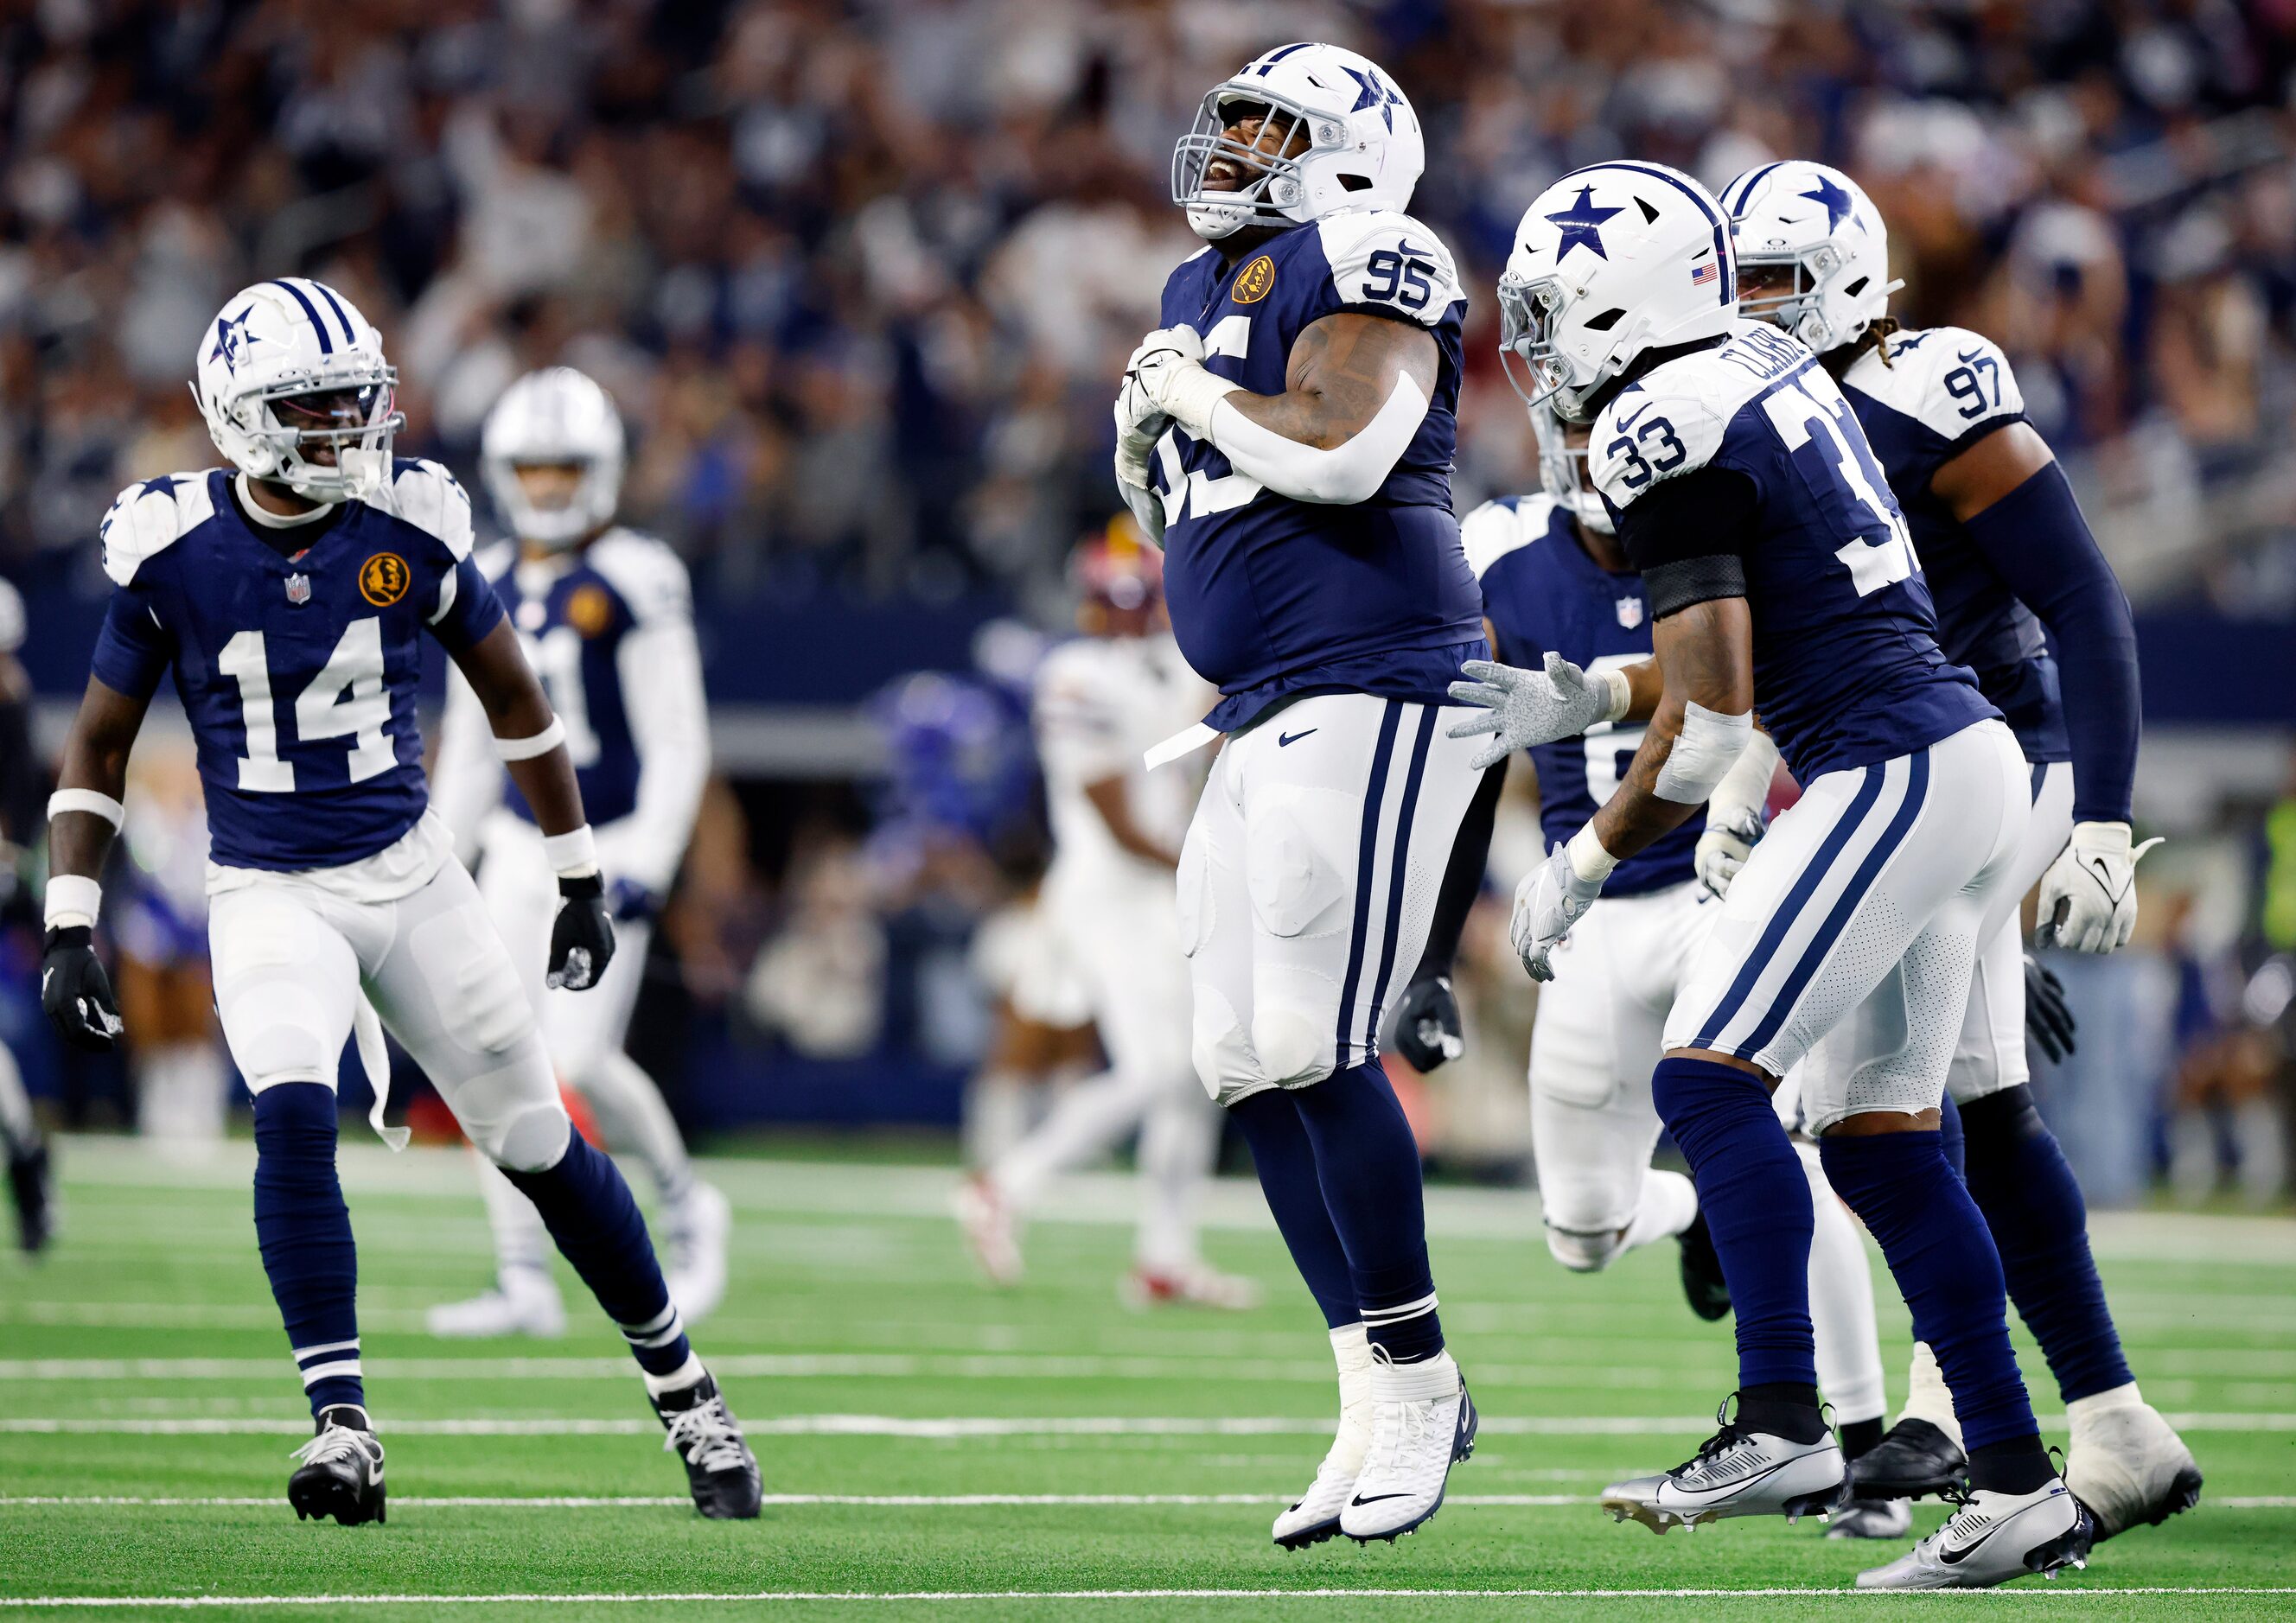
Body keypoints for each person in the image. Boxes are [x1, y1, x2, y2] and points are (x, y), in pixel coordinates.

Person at [1452, 161, 2087, 1588]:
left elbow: (1722, 720)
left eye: (1554, 311)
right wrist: (1611, 714)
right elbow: (1713, 671)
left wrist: (1589, 848)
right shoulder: (1750, 367)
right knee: (1875, 1139)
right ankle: (2015, 1480)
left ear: (1623, 301)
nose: (1539, 345)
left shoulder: (1661, 420)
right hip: (1947, 750)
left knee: (1702, 1080)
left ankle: (1783, 1415)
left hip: (1884, 765)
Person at [40, 281, 759, 1524]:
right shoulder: (171, 549)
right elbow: (99, 743)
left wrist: (580, 873)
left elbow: (516, 701)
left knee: (539, 1139)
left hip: (416, 876)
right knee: (290, 1109)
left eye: (353, 399)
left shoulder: (408, 521)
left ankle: (687, 1390)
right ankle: (341, 1425)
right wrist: (68, 913)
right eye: (313, 407)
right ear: (239, 417)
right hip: (268, 887)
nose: (347, 427)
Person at [1723, 160, 2198, 1543]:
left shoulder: (1927, 384)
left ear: (1862, 284)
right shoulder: (1749, 411)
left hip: (1997, 755)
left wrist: (2102, 815)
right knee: (1975, 1106)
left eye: (1781, 285)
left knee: (1883, 1105)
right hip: (1881, 774)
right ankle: (2103, 1420)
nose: (1756, 313)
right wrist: (1753, 776)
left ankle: (1946, 1419)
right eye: (1737, 286)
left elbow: (2083, 593)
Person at [1114, 42, 1489, 1545]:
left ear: (1349, 153)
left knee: (1311, 1035)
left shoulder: (1372, 250)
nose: (1234, 149)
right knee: (1239, 1058)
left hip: (1380, 674)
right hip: (1261, 702)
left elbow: (1346, 453)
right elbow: (1195, 519)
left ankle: (1420, 1378)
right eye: (1234, 123)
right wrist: (1155, 443)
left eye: (1271, 127)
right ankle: (1366, 1388)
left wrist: (1191, 398)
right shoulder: (1195, 290)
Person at [1451, 404, 1906, 1539]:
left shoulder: (1716, 520)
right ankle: (1701, 1208)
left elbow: (1748, 682)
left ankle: (1864, 1453)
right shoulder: (1500, 545)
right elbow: (1467, 733)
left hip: (1718, 892)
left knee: (1792, 1161)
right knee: (1582, 1231)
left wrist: (1715, 778)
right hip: (1590, 913)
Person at [426, 366, 729, 1339]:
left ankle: (689, 1209)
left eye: (566, 468)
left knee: (581, 1060)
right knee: (489, 1061)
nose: (550, 487)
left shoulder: (638, 575)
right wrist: (436, 855)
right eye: (533, 468)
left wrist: (652, 856)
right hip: (520, 846)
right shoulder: (489, 577)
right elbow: (475, 746)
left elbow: (678, 739)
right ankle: (522, 1277)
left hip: (609, 847)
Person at [955, 532, 1259, 1309]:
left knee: (1196, 1072)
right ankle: (1006, 1186)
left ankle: (1165, 1256)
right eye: (1114, 601)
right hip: (1104, 892)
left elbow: (1167, 756)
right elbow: (1116, 813)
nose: (1127, 616)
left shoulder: (1156, 666)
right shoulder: (1075, 674)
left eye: (1138, 600)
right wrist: (1203, 860)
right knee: (1154, 1070)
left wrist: (1222, 718)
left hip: (1152, 892)